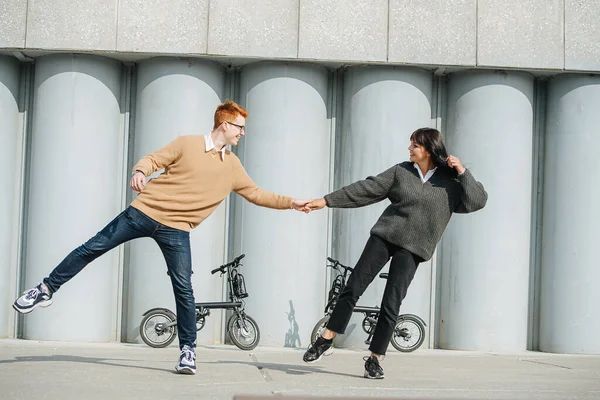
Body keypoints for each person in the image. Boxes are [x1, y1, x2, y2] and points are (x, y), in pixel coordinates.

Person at [13, 100, 310, 375]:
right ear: (224, 125)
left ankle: (187, 351)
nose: (242, 133)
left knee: (183, 288)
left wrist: (292, 202)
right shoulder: (187, 144)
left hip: (177, 229)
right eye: (240, 127)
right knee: (92, 247)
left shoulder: (231, 166)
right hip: (143, 212)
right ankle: (45, 290)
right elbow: (153, 159)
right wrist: (140, 171)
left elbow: (257, 194)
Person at [302, 127, 487, 379]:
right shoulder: (401, 171)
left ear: (429, 149)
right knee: (353, 286)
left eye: (414, 145)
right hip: (384, 237)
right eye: (410, 145)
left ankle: (375, 359)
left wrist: (463, 171)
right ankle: (326, 339)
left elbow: (477, 201)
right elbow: (366, 189)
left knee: (391, 303)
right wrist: (326, 200)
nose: (409, 149)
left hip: (413, 249)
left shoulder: (451, 182)